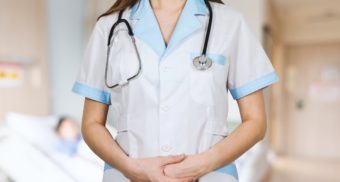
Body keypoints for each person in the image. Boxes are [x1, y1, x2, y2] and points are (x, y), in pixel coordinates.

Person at [72, 0, 279, 181]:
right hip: (128, 175)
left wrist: (204, 163)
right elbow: (91, 124)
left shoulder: (229, 23)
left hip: (211, 175)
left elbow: (256, 122)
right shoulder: (109, 27)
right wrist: (131, 168)